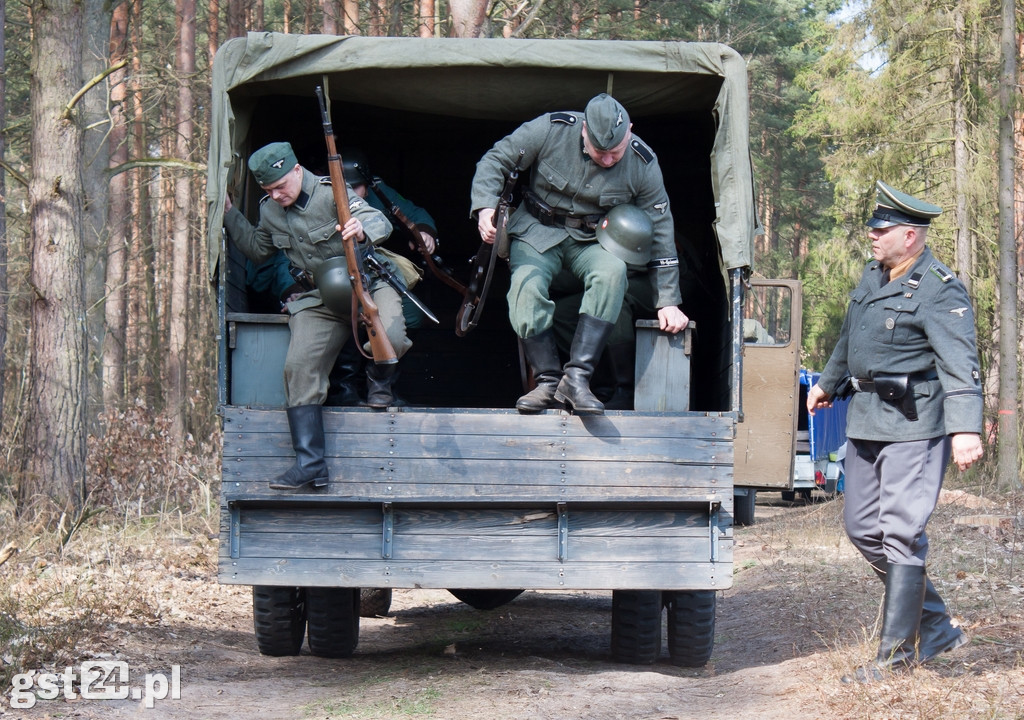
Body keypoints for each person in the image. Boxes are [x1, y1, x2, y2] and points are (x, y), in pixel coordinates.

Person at [806, 180, 984, 682]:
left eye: (882, 230)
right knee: (863, 528)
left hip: (914, 421)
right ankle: (935, 624)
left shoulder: (939, 288)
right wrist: (826, 383)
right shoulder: (872, 276)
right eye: (872, 228)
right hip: (866, 418)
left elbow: (960, 363)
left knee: (902, 532)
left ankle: (896, 658)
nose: (873, 236)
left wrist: (965, 429)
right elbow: (850, 337)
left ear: (912, 235)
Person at [470, 93, 687, 415]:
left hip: (595, 240)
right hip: (537, 231)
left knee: (612, 274)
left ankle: (577, 378)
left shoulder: (643, 163)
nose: (610, 160)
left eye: (617, 151)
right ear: (584, 130)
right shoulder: (549, 130)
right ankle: (547, 381)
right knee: (526, 287)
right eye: (601, 152)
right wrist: (486, 206)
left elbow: (660, 227)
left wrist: (667, 299)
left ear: (630, 131)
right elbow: (495, 161)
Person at [223, 141, 410, 491]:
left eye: (280, 186)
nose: (276, 195)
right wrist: (230, 213)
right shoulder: (270, 211)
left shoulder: (331, 194)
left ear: (296, 170)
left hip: (366, 284)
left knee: (393, 336)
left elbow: (377, 220)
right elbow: (258, 249)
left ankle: (380, 386)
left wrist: (360, 228)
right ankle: (310, 464)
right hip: (320, 296)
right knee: (298, 368)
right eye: (268, 190)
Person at [551, 205, 690, 410]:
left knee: (616, 295)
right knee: (560, 314)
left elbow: (593, 278)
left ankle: (625, 389)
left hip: (667, 281)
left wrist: (551, 278)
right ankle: (599, 386)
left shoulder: (630, 225)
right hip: (632, 276)